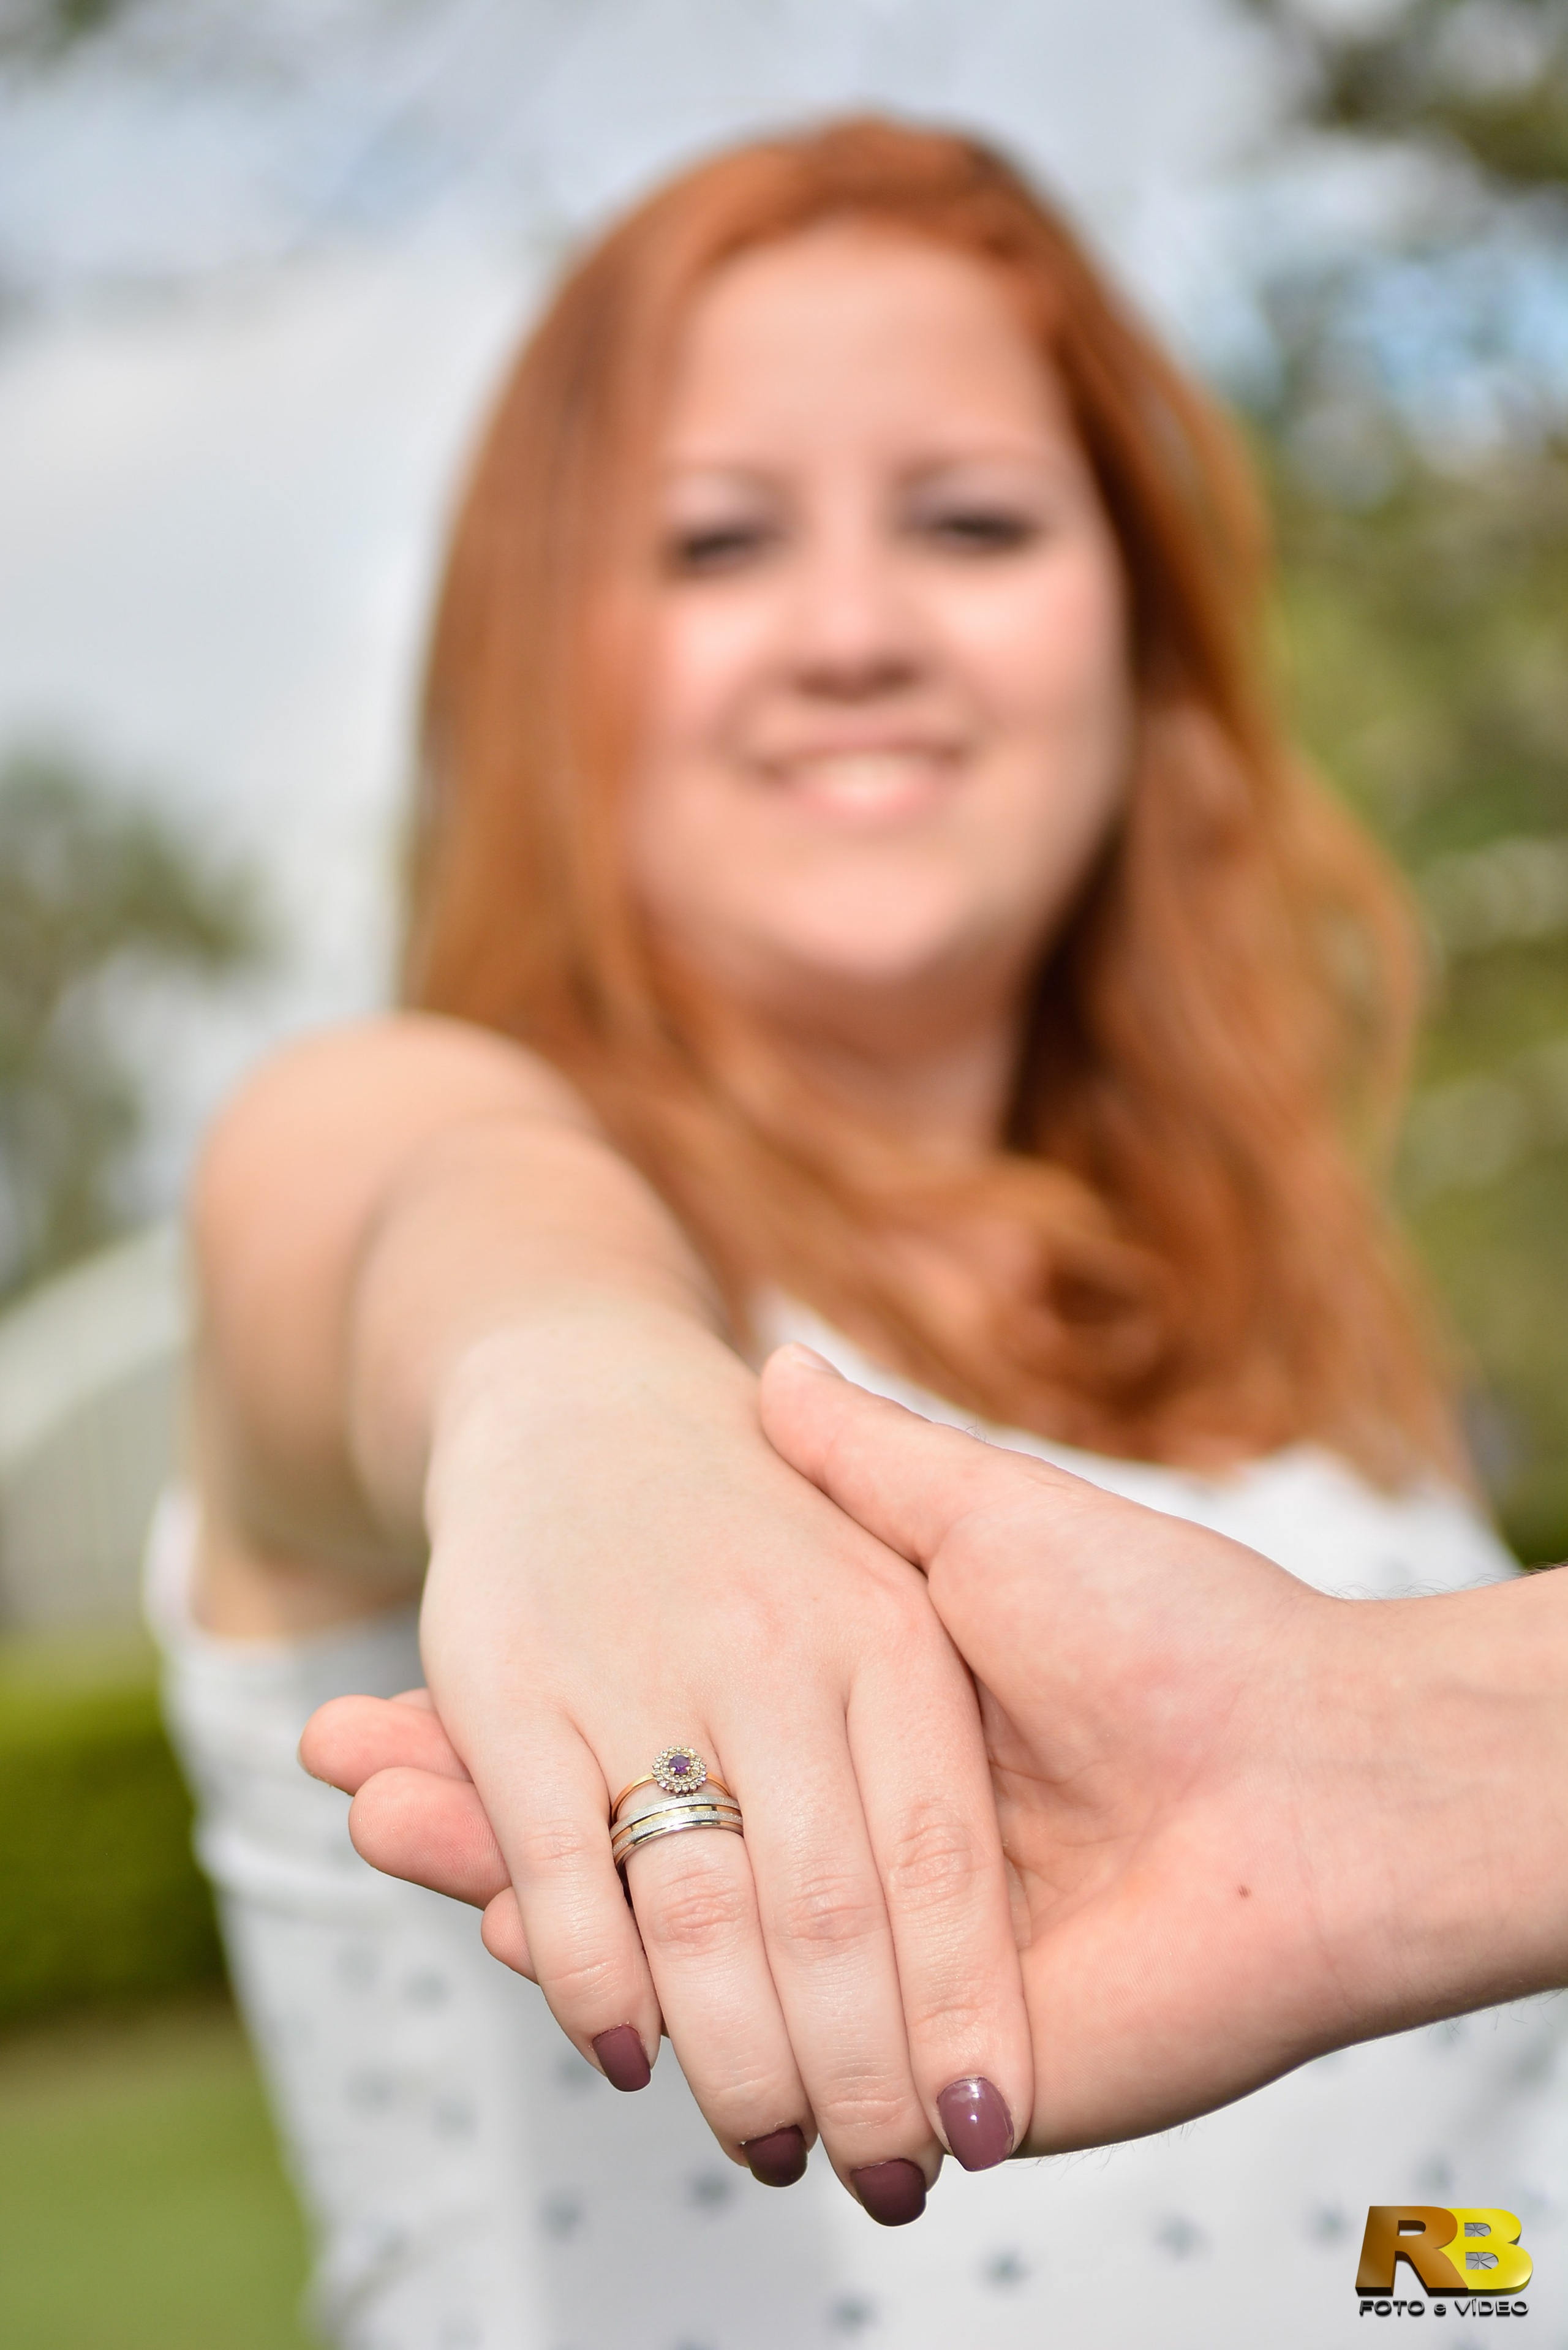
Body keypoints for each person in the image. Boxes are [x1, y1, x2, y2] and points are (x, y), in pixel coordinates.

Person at [157, 116, 1553, 2350]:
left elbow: (1423, 2227)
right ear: (548, 663)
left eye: (975, 520)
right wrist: (581, 1396)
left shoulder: (1330, 1365)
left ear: (1145, 639)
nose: (852, 631)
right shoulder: (468, 1187)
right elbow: (400, 1186)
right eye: (714, 543)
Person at [318, 1343, 1568, 2159]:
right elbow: (442, 1196)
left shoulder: (1300, 1269)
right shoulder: (422, 1093)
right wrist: (573, 1394)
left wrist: (1351, 1751)